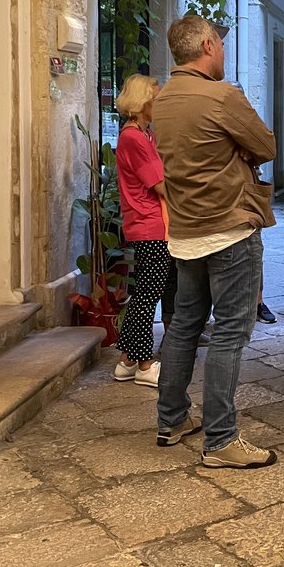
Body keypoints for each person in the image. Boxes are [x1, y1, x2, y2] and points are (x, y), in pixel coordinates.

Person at [152, 15, 277, 469]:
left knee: (184, 325)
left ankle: (171, 420)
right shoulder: (223, 96)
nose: (223, 51)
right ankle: (221, 440)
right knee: (229, 332)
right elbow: (266, 146)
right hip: (228, 229)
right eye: (220, 44)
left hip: (186, 232)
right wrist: (238, 150)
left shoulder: (162, 100)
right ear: (207, 46)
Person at [111, 74, 167, 387]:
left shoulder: (145, 135)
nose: (160, 103)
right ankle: (145, 364)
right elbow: (159, 184)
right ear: (143, 101)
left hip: (150, 223)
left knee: (146, 293)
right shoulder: (134, 138)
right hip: (149, 224)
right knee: (147, 297)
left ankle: (127, 360)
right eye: (156, 98)